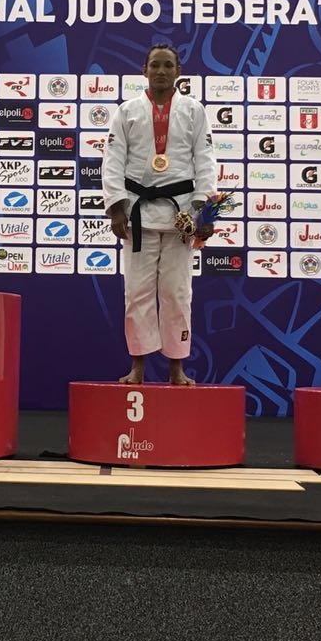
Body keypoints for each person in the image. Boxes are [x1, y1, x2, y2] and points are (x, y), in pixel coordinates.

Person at [101, 43, 218, 385]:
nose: (162, 71)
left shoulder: (194, 110)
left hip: (180, 214)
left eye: (168, 65)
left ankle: (176, 368)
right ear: (145, 70)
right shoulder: (127, 111)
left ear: (178, 72)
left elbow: (205, 160)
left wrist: (204, 208)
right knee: (136, 291)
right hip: (137, 213)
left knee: (177, 292)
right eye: (155, 65)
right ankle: (137, 365)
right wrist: (117, 208)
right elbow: (113, 161)